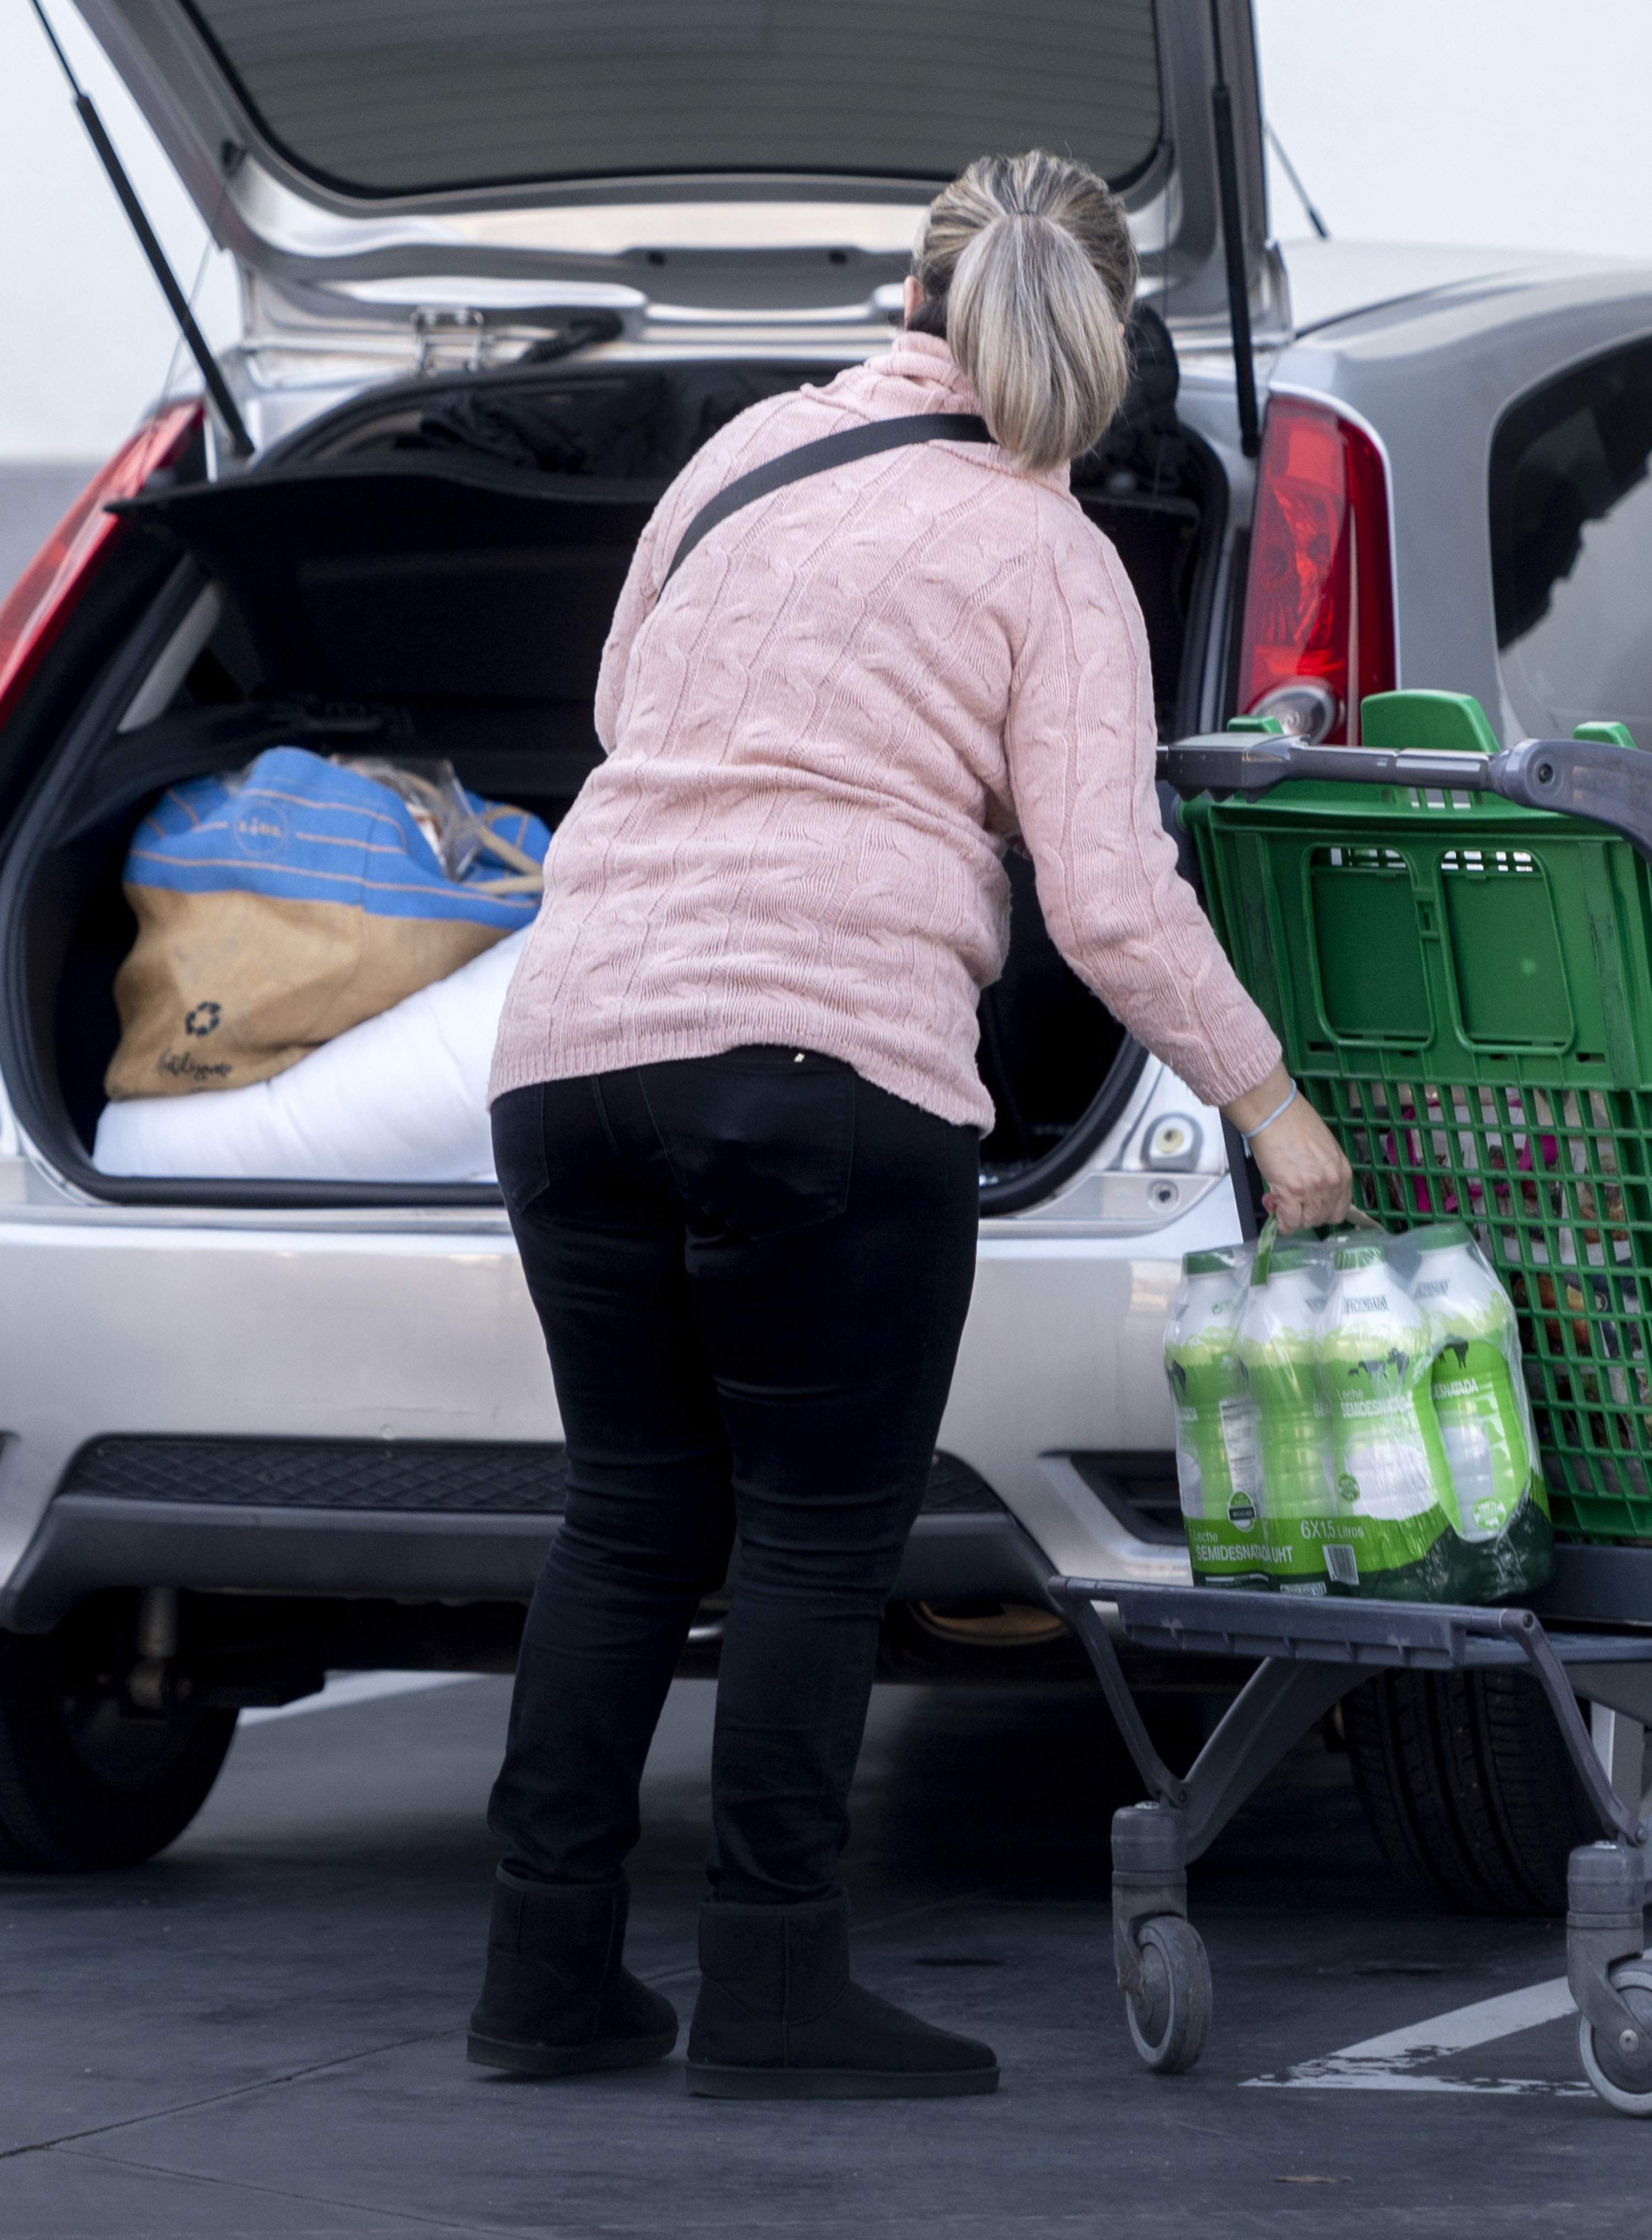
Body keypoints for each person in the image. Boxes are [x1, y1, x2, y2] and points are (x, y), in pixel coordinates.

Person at [463, 150, 1353, 2100]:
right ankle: (775, 1995)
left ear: (909, 295)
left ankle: (542, 1985)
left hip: (569, 1053)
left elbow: (626, 708)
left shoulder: (736, 459)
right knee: (805, 1536)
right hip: (823, 1079)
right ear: (1094, 332)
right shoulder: (1048, 552)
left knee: (624, 1524)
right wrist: (1275, 1109)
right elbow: (1108, 898)